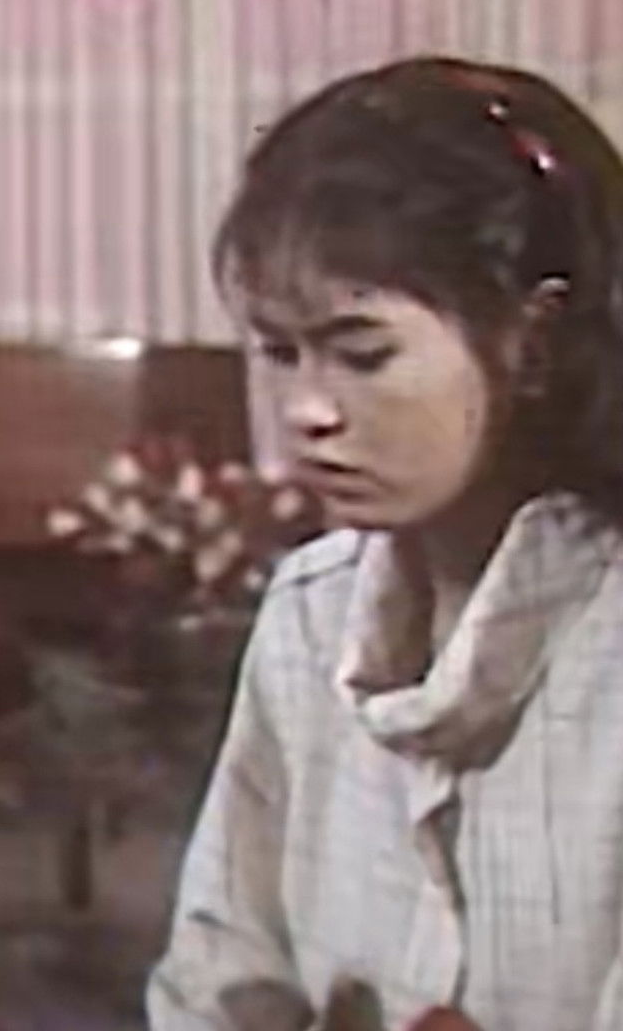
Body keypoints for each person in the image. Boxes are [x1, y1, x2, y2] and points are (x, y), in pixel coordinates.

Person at [150, 55, 623, 1030]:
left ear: (532, 342)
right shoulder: (310, 612)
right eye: (280, 352)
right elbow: (220, 961)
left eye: (362, 354)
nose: (307, 410)